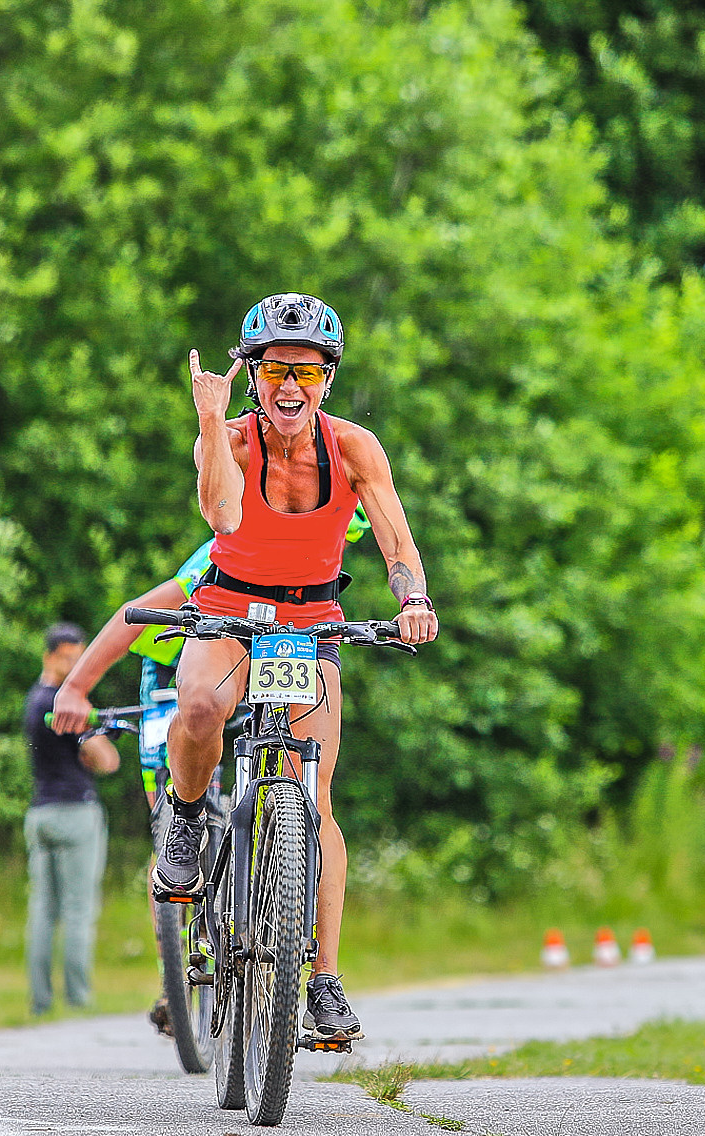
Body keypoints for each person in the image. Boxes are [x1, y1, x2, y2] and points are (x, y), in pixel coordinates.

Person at [53, 293, 438, 1041]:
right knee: (197, 706)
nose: (289, 387)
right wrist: (207, 418)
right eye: (273, 372)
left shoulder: (356, 448)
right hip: (231, 611)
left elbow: (396, 541)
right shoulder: (227, 438)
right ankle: (189, 821)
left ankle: (324, 980)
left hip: (310, 624)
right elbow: (223, 517)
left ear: (326, 378)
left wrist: (414, 597)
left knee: (315, 796)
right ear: (252, 376)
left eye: (305, 371)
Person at [49, 508, 371, 1035]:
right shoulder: (222, 553)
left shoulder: (318, 559)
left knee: (307, 787)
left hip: (270, 657)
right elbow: (138, 612)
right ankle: (180, 842)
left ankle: (310, 957)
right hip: (183, 655)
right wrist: (77, 687)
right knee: (179, 750)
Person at [22, 623, 121, 1015]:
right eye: (68, 657)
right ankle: (78, 1000)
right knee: (79, 910)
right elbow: (107, 760)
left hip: (40, 811)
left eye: (79, 656)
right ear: (49, 656)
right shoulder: (64, 704)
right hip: (76, 813)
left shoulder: (33, 700)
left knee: (43, 911)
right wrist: (94, 737)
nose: (75, 664)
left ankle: (40, 1001)